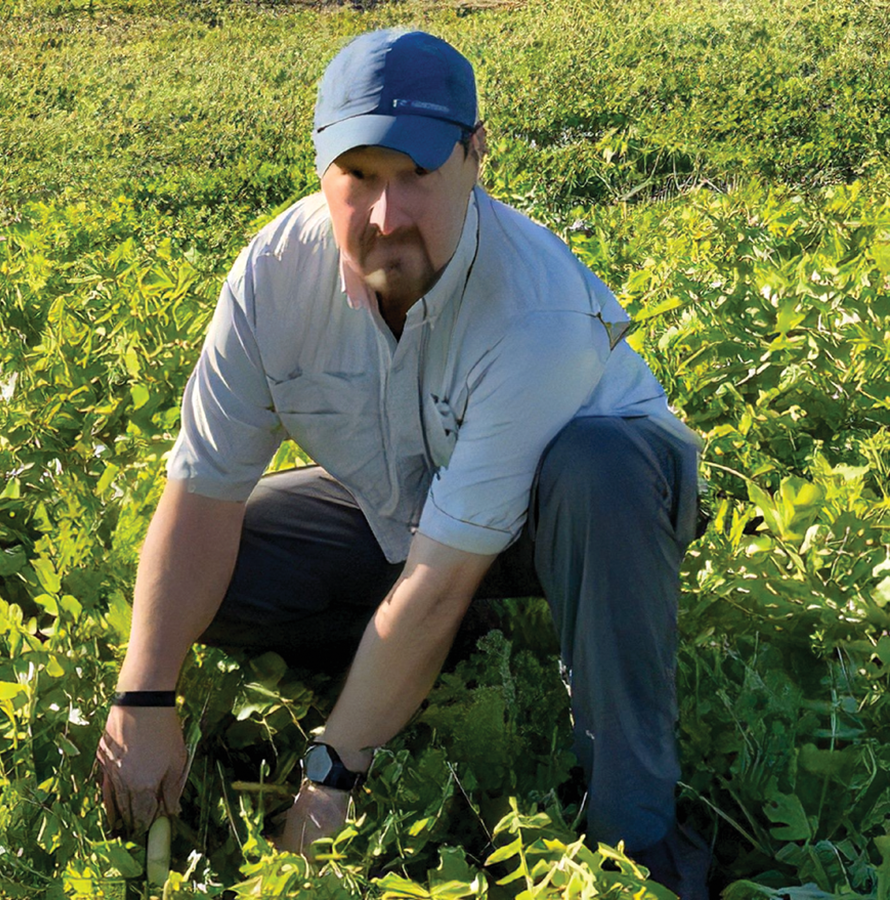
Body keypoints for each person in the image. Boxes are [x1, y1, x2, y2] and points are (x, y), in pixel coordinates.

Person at [95, 28, 710, 899]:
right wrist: (145, 698)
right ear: (321, 170)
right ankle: (437, 658)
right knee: (220, 576)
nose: (386, 215)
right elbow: (200, 500)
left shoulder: (533, 312)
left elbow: (436, 583)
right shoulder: (273, 278)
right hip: (414, 509)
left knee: (598, 465)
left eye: (416, 173)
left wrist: (330, 776)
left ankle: (638, 844)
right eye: (359, 176)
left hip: (584, 515)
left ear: (475, 155)